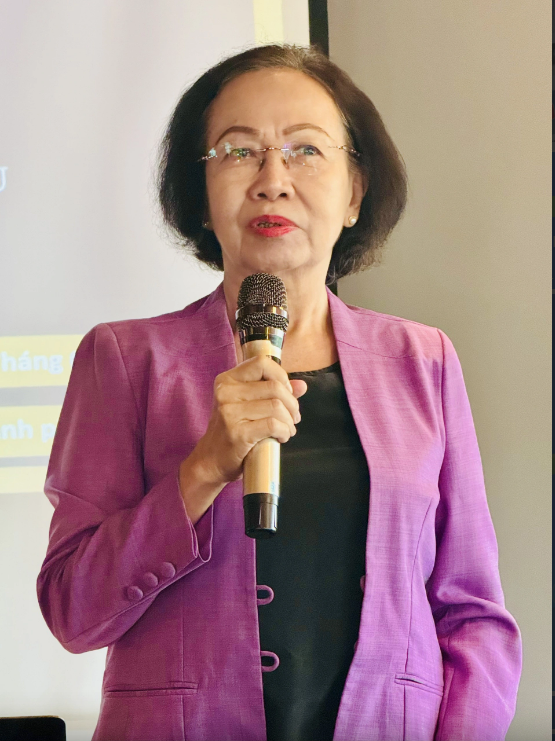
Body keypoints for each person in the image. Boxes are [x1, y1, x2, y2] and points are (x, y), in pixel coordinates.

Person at [37, 44, 522, 741]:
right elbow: (72, 610)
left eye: (304, 150)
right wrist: (203, 466)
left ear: (355, 190)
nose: (271, 179)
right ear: (200, 193)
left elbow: (471, 613)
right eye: (237, 152)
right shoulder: (124, 358)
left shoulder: (424, 361)